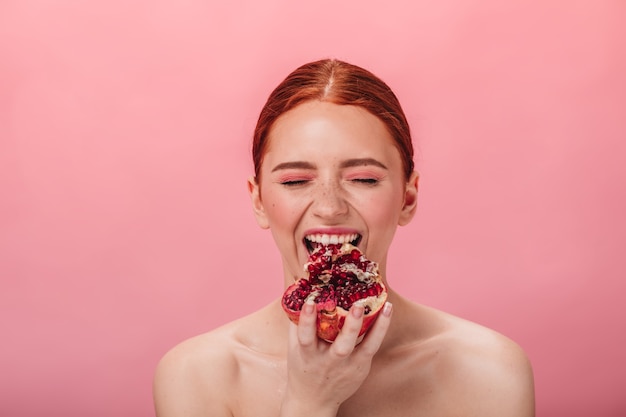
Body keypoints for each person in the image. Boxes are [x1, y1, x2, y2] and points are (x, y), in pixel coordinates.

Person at [153, 58, 535, 417]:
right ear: (258, 201)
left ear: (408, 197)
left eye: (364, 179)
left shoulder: (488, 372)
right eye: (295, 181)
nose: (330, 207)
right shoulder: (196, 376)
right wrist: (308, 403)